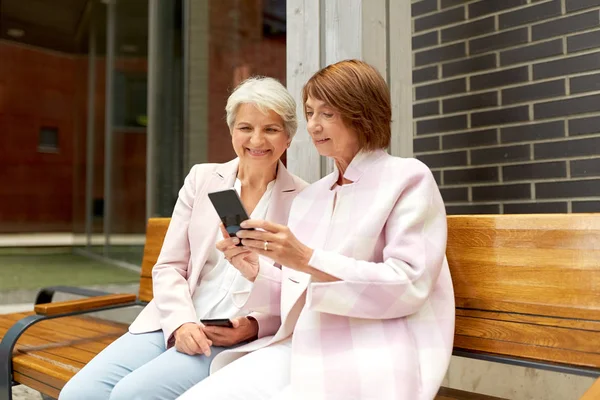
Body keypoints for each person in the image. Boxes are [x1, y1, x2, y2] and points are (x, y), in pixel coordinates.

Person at [178, 60, 455, 400]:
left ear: (362, 113)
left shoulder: (407, 178)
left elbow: (409, 283)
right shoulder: (311, 197)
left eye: (327, 114)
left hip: (371, 348)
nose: (313, 125)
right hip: (301, 344)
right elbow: (300, 292)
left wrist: (307, 259)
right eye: (309, 113)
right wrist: (257, 271)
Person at [58, 76, 308, 400]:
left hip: (231, 336)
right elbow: (168, 267)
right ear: (232, 130)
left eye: (271, 129)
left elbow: (299, 289)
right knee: (79, 393)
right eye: (246, 127)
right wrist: (181, 323)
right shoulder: (203, 178)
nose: (256, 139)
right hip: (177, 317)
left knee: (132, 395)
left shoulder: (305, 199)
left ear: (288, 136)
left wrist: (254, 326)